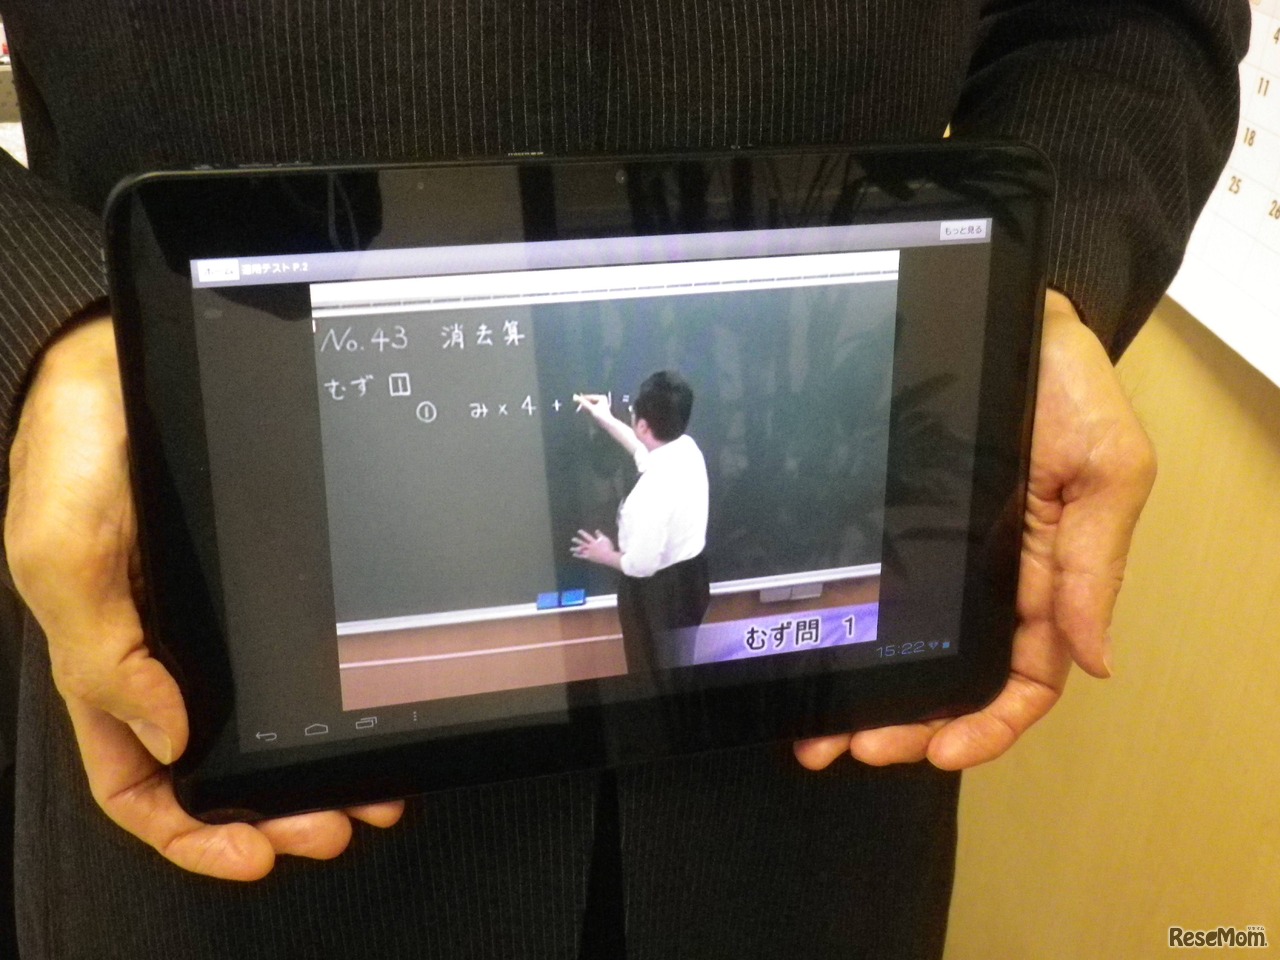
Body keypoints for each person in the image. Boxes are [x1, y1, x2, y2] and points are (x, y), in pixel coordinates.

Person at [0, 1, 1247, 957]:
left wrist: (1033, 295)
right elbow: (642, 461)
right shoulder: (675, 449)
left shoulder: (662, 489)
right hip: (227, 684)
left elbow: (1130, 21)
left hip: (806, 804)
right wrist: (46, 323)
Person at [571, 372, 711, 673]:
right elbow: (642, 449)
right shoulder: (686, 448)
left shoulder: (648, 495)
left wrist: (604, 554)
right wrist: (606, 419)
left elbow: (641, 565)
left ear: (644, 425)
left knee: (652, 675)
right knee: (681, 667)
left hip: (659, 596)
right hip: (692, 580)